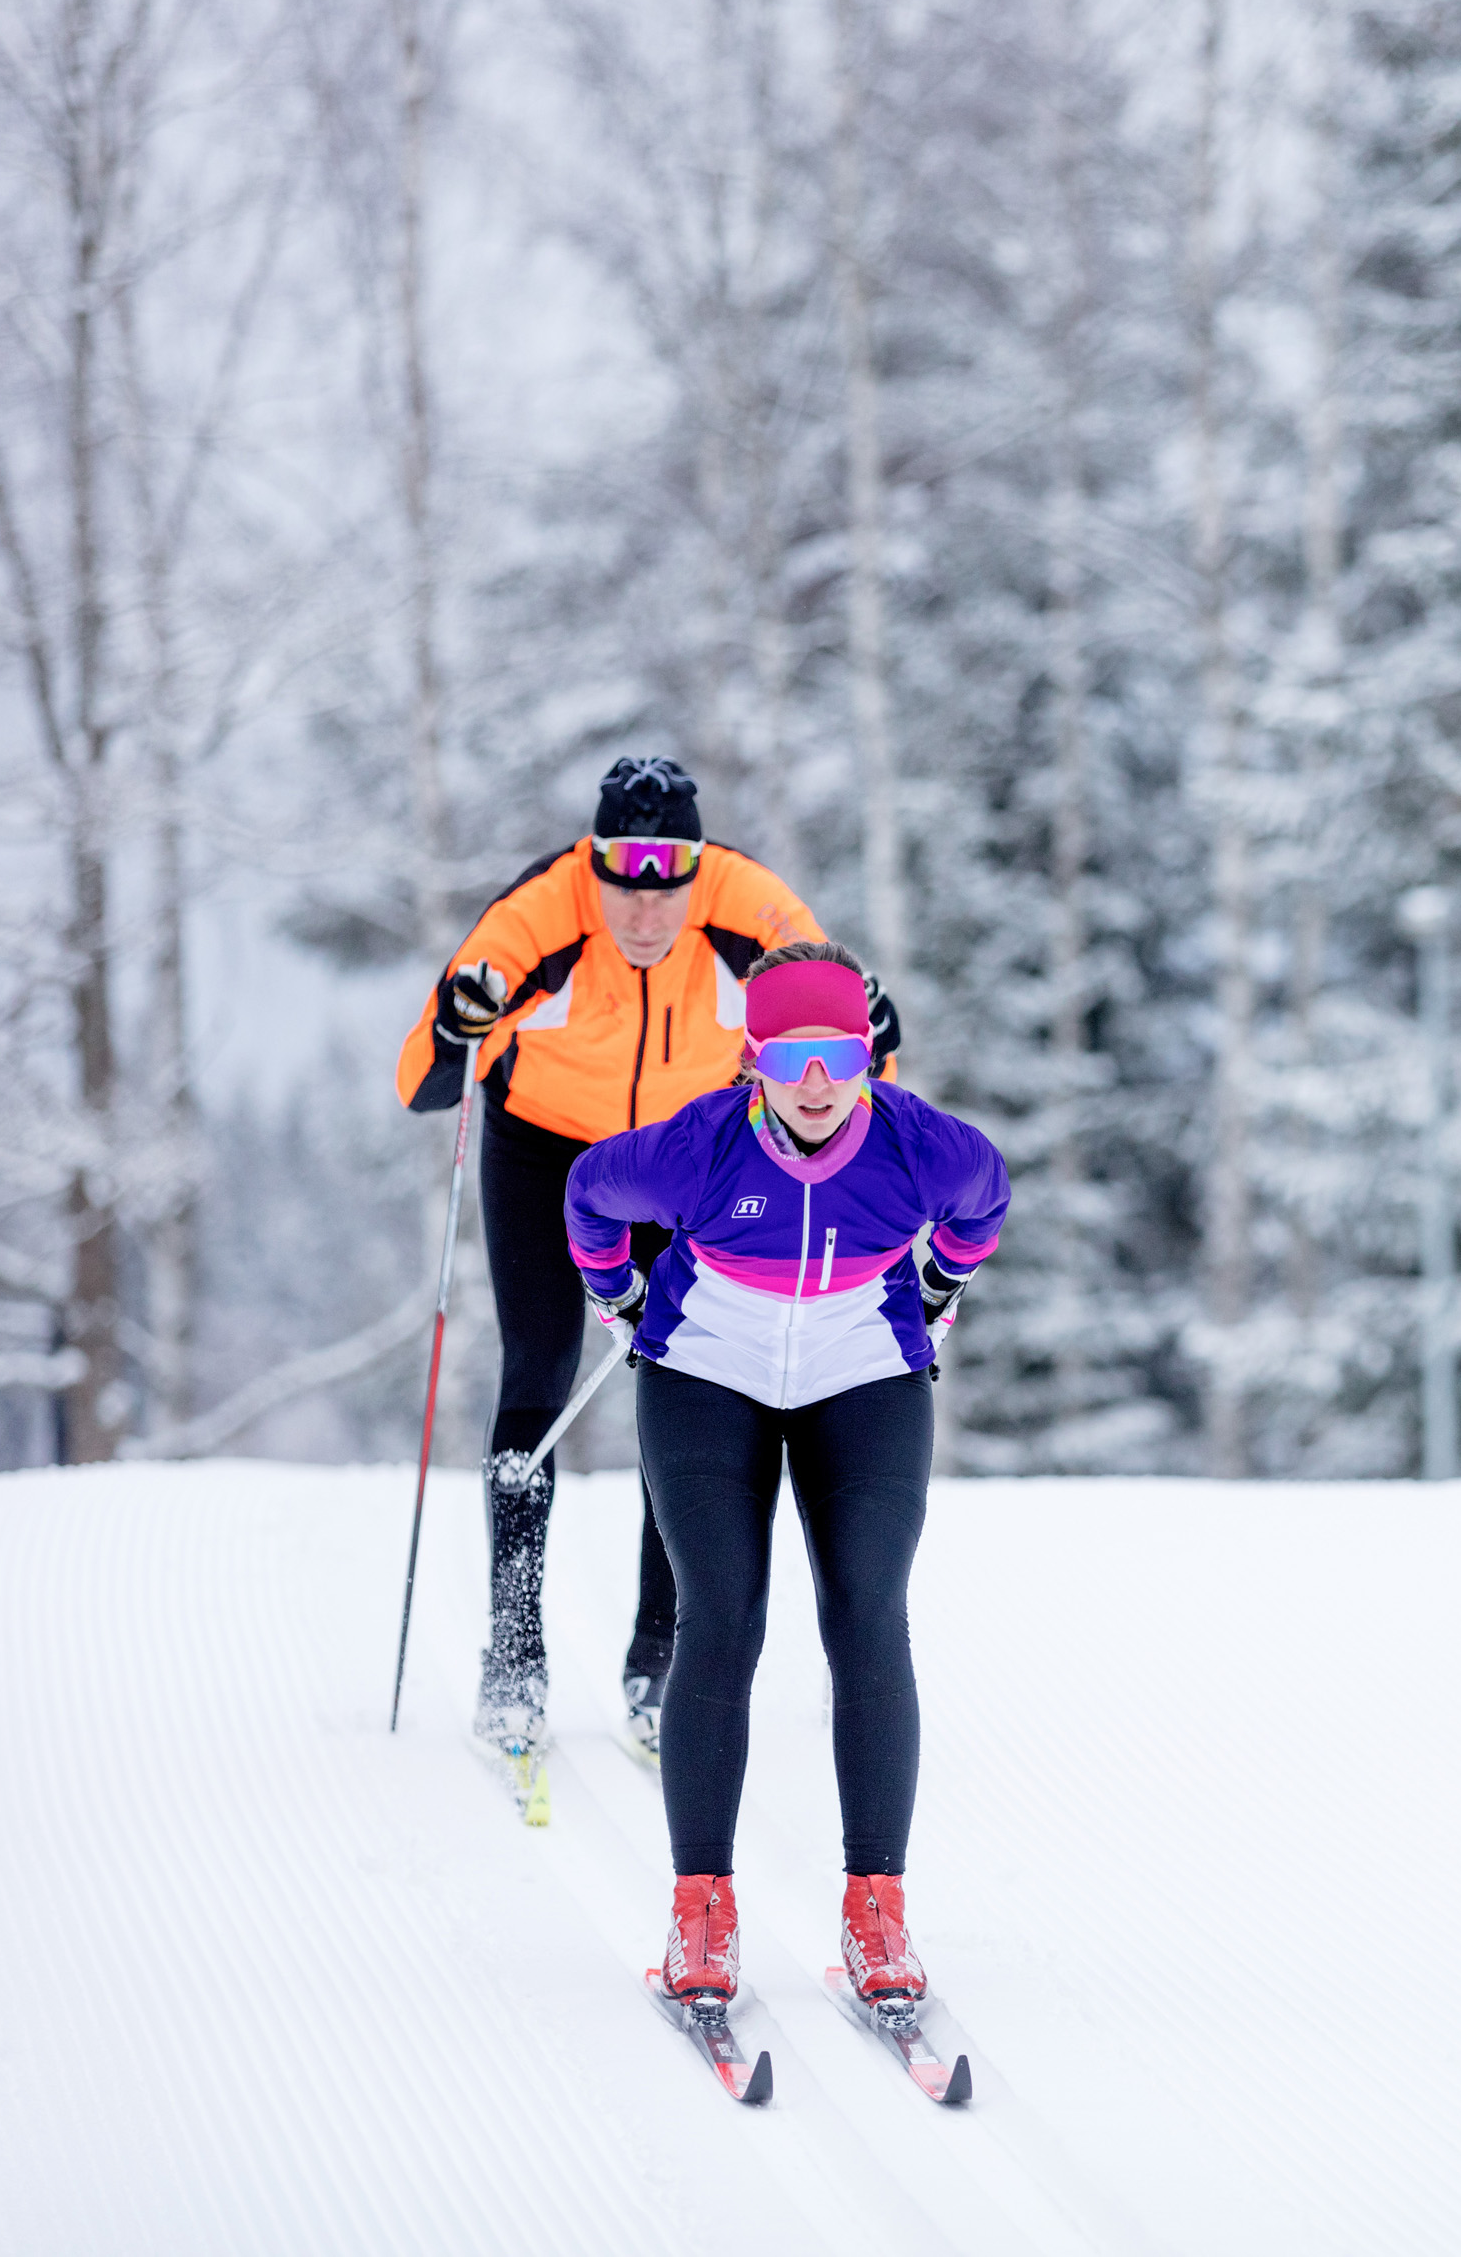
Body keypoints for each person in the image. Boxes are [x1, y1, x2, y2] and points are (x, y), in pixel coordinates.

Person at [396, 757, 897, 1763]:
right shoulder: (540, 913)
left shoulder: (754, 912)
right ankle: (515, 1653)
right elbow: (423, 1080)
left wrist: (879, 1034)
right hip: (543, 1148)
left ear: (696, 867)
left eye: (665, 879)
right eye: (622, 877)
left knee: (691, 1380)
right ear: (594, 862)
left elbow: (845, 1054)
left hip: (683, 1154)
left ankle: (658, 1659)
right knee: (537, 1365)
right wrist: (458, 1027)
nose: (642, 907)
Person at [559, 942, 1006, 2008]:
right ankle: (700, 1911)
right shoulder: (698, 1148)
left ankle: (876, 1911)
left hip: (863, 1372)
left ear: (866, 1058)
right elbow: (587, 1191)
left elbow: (984, 1200)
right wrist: (617, 1297)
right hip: (709, 1371)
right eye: (793, 1054)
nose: (816, 1081)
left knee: (867, 1609)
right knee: (721, 1612)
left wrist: (937, 1283)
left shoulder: (920, 1148)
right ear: (753, 1057)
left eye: (839, 1053)